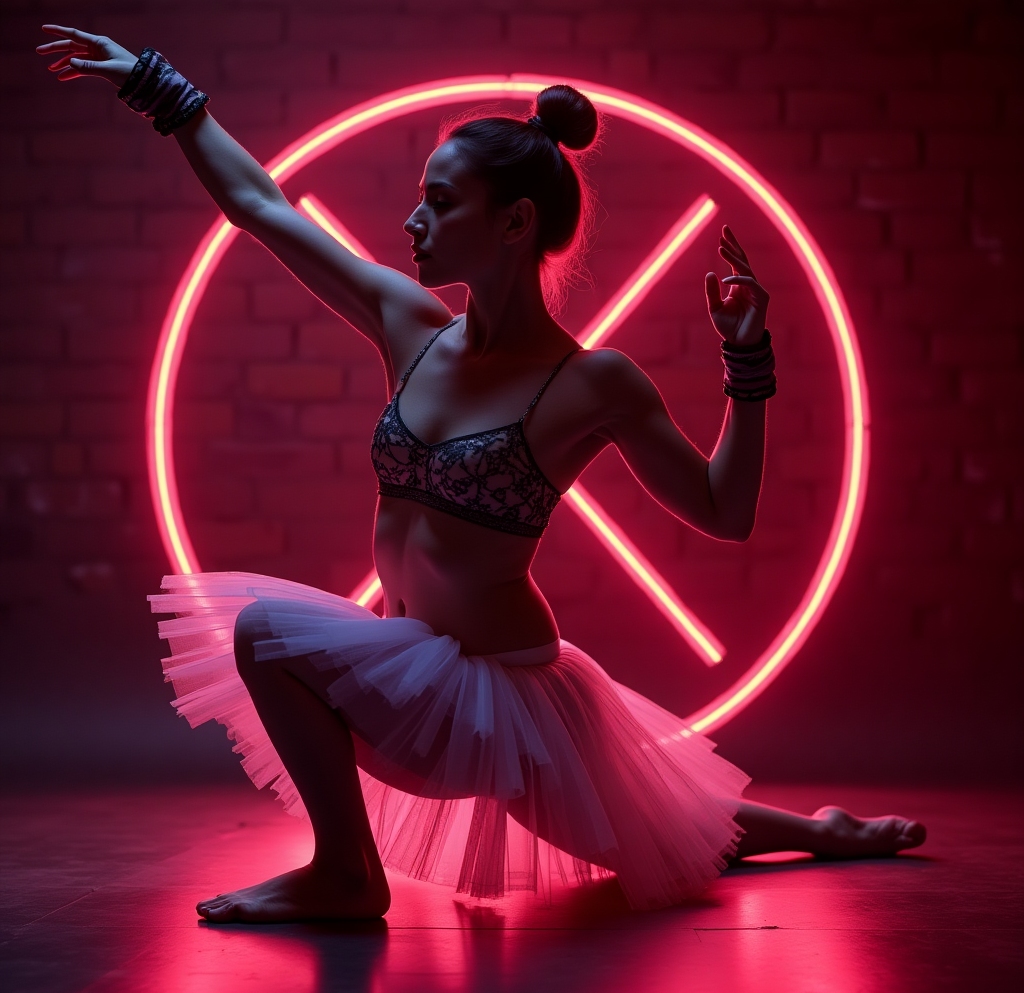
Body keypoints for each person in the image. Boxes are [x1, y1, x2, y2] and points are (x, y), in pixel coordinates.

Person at [36, 25, 926, 923]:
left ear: (514, 222)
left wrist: (750, 366)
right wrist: (160, 89)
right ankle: (823, 830)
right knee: (677, 832)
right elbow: (260, 206)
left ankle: (352, 876)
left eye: (440, 201)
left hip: (505, 693)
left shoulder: (593, 383)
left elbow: (724, 512)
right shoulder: (408, 324)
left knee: (671, 835)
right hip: (407, 669)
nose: (413, 221)